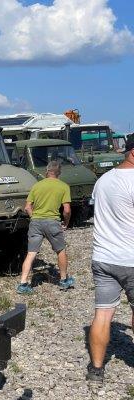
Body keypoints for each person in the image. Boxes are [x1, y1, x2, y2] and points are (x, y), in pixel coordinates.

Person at [86, 136, 134, 383]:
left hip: (103, 257)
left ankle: (96, 369)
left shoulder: (103, 180)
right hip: (131, 259)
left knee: (103, 314)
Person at [17, 160, 75, 294]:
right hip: (52, 222)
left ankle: (23, 283)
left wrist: (34, 217)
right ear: (59, 173)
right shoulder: (63, 186)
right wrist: (66, 222)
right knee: (60, 250)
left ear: (46, 172)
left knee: (31, 253)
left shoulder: (36, 186)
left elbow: (27, 207)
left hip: (36, 221)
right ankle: (63, 279)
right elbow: (66, 210)